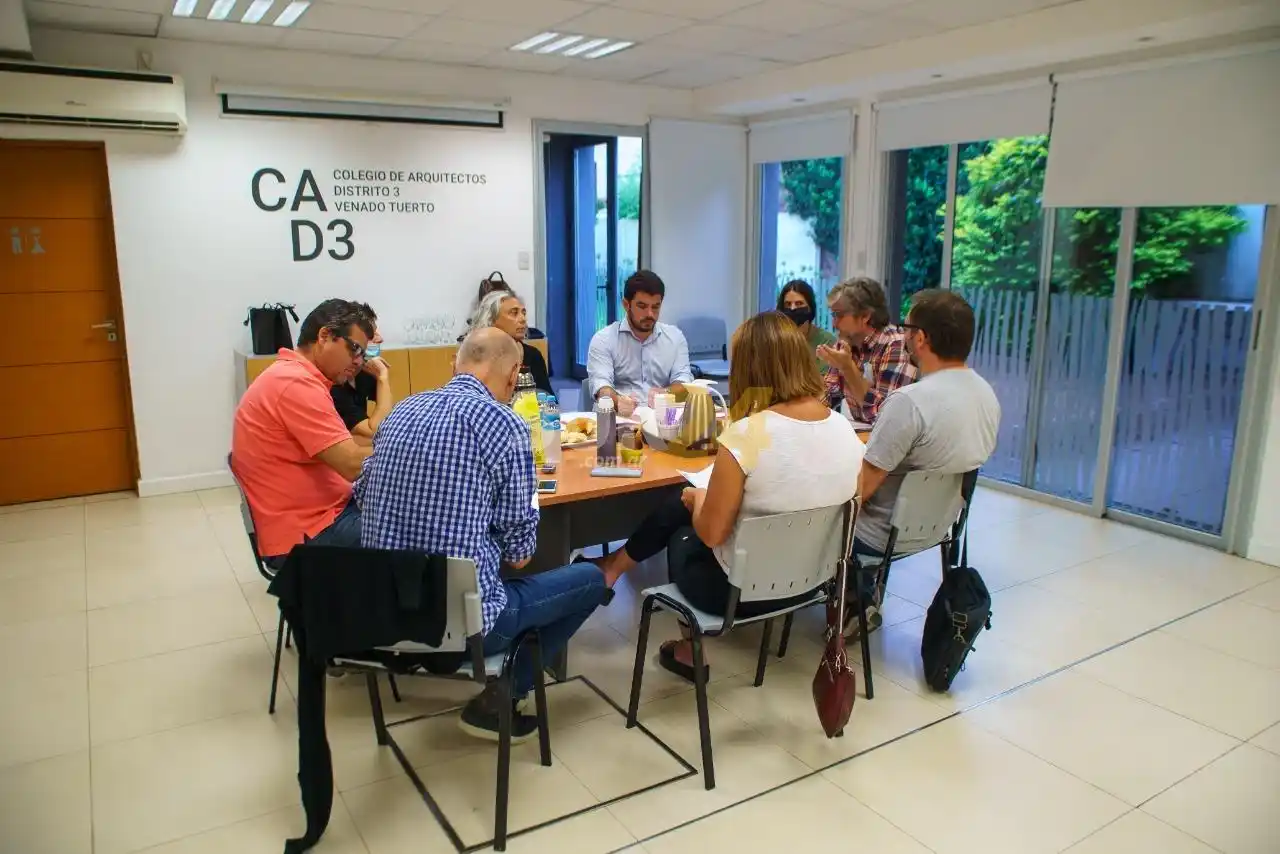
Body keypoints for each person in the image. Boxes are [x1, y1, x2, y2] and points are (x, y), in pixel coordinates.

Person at [357, 328, 612, 741]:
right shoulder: (505, 424)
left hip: (386, 613)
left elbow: (365, 497)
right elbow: (520, 554)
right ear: (514, 376)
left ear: (453, 365)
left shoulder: (401, 411)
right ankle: (503, 697)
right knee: (591, 579)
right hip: (465, 626)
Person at [594, 312, 864, 680]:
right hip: (813, 585)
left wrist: (697, 500)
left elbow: (711, 533)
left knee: (683, 522)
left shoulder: (747, 434)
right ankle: (614, 569)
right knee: (692, 504)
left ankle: (690, 650)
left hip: (738, 593)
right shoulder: (844, 429)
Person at [846, 289, 1000, 636]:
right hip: (941, 526)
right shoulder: (986, 394)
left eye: (906, 328)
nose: (902, 336)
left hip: (880, 536)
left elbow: (860, 492)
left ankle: (848, 596)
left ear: (921, 337)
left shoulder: (909, 403)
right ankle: (862, 596)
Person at [231, 299, 375, 565]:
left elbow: (344, 444)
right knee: (420, 532)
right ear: (324, 336)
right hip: (309, 532)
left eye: (362, 355)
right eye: (354, 349)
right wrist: (407, 446)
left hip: (320, 515)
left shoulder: (293, 376)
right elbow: (352, 464)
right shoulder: (295, 384)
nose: (357, 362)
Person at [587, 270, 693, 417]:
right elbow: (601, 386)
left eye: (655, 307)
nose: (650, 314)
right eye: (642, 306)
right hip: (617, 422)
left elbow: (684, 383)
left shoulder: (675, 338)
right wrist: (617, 401)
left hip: (663, 422)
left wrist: (666, 394)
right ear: (626, 305)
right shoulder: (604, 339)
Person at [817, 277, 918, 424]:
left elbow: (885, 418)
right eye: (833, 315)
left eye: (839, 315)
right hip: (864, 437)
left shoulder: (896, 345)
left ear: (865, 316)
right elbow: (827, 399)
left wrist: (848, 368)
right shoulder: (846, 343)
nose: (834, 323)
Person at [329, 303, 392, 445]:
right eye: (371, 335)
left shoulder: (364, 370)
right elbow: (376, 430)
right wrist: (383, 378)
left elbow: (389, 419)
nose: (380, 339)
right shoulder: (334, 381)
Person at [470, 290, 552, 395]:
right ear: (491, 319)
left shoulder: (533, 355)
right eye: (514, 313)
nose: (523, 319)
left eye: (524, 313)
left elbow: (549, 401)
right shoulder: (478, 356)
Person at [777, 279, 836, 373]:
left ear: (810, 307)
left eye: (799, 303)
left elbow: (826, 382)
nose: (793, 308)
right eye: (788, 304)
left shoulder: (826, 342)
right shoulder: (774, 339)